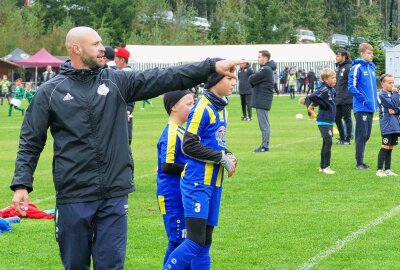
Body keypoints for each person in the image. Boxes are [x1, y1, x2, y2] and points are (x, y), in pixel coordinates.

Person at [9, 26, 243, 270]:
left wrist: (210, 67)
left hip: (113, 193)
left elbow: (166, 76)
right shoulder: (51, 91)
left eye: (102, 43)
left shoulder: (117, 81)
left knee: (111, 265)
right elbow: (30, 141)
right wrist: (22, 184)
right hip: (73, 194)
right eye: (96, 44)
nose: (103, 49)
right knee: (75, 265)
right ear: (76, 49)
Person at [163, 62, 238, 270]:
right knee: (195, 240)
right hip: (197, 182)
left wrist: (228, 154)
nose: (234, 82)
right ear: (215, 80)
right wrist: (221, 157)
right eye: (229, 78)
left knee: (205, 241)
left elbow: (213, 143)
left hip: (214, 182)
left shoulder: (221, 107)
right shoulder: (202, 107)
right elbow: (189, 145)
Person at [157, 90, 195, 267]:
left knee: (184, 240)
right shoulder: (172, 132)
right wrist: (193, 168)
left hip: (182, 195)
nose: (193, 107)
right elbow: (167, 165)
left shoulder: (181, 130)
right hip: (171, 196)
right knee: (178, 241)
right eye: (188, 104)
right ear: (173, 107)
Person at [348, 43, 378, 170]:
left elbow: (373, 88)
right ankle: (359, 163)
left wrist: (375, 102)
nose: (371, 55)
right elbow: (351, 86)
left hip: (371, 107)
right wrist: (363, 100)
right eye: (369, 53)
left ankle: (361, 160)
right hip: (361, 107)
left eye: (372, 53)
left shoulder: (371, 67)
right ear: (362, 53)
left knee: (367, 135)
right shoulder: (357, 67)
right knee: (361, 135)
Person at [308, 68, 337, 174]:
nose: (335, 80)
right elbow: (313, 96)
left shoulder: (332, 90)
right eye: (332, 78)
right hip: (323, 120)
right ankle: (326, 167)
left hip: (330, 120)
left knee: (326, 142)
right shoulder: (324, 88)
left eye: (335, 78)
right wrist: (322, 104)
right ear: (325, 79)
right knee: (329, 142)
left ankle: (322, 166)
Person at [249, 50, 277, 152]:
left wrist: (254, 80)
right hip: (262, 99)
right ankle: (264, 145)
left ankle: (265, 146)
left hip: (262, 99)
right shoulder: (266, 69)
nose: (258, 59)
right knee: (264, 124)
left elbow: (251, 79)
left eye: (259, 57)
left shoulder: (265, 69)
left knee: (264, 125)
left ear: (265, 58)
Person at [375, 74, 399, 177]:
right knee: (385, 146)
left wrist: (396, 110)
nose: (392, 85)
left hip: (395, 124)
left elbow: (397, 107)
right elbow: (392, 105)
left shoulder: (393, 94)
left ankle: (388, 169)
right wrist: (395, 94)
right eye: (389, 83)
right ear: (382, 84)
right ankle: (379, 170)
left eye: (393, 82)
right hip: (386, 124)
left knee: (390, 147)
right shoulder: (381, 95)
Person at [114, 46, 135, 145]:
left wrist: (128, 109)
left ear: (122, 60)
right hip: (123, 114)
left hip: (124, 115)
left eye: (116, 58)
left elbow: (131, 96)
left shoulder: (126, 75)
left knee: (123, 145)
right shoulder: (121, 73)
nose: (114, 60)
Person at [334, 48, 353, 145]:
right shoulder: (339, 67)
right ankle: (342, 137)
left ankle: (348, 139)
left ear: (344, 56)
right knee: (336, 118)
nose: (336, 57)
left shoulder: (349, 67)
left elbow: (352, 83)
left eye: (338, 55)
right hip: (338, 97)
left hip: (347, 98)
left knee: (347, 118)